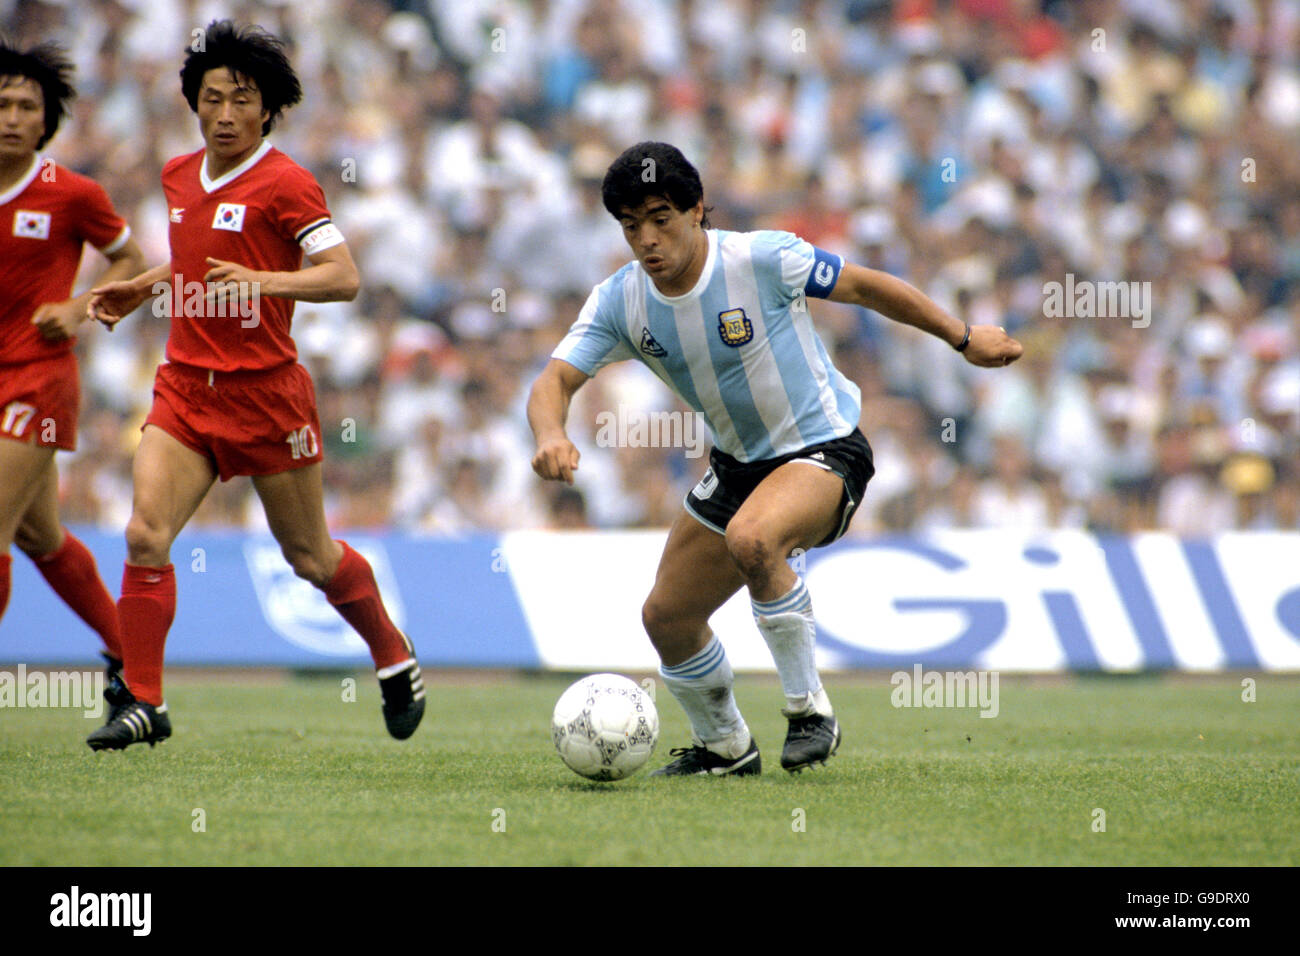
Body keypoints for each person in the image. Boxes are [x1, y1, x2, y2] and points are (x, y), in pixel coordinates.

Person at [528, 142, 1021, 775]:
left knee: (754, 537)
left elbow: (866, 287)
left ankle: (809, 710)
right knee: (667, 617)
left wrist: (963, 337)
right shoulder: (620, 301)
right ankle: (726, 747)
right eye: (630, 226)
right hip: (737, 467)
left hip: (824, 448)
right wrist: (549, 433)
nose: (646, 239)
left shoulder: (762, 257)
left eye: (660, 218)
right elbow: (554, 381)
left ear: (698, 209)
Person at [85, 21, 423, 751]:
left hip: (267, 396)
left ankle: (392, 653)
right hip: (184, 389)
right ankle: (144, 700)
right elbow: (200, 266)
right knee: (145, 534)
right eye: (213, 99)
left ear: (268, 109)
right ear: (194, 105)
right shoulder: (179, 175)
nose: (227, 113)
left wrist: (264, 281)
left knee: (310, 559)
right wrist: (145, 287)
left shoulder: (287, 182)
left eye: (243, 99)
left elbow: (345, 277)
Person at [0, 38, 146, 717]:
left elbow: (131, 261)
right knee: (40, 537)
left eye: (26, 105)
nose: (10, 115)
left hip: (38, 380)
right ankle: (135, 663)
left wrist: (80, 306)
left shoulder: (70, 193)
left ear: (46, 119)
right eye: (1, 102)